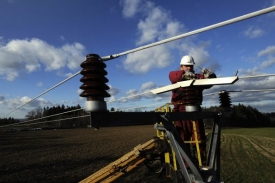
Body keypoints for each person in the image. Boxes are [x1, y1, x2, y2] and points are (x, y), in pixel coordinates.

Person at [169, 55, 216, 165]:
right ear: (181, 66)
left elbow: (209, 83)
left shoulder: (197, 77)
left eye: (190, 66)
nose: (189, 68)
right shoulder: (175, 75)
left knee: (199, 137)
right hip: (180, 112)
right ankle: (186, 164)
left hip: (196, 111)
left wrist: (210, 75)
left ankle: (201, 160)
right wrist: (184, 75)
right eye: (186, 66)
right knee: (183, 138)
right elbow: (172, 76)